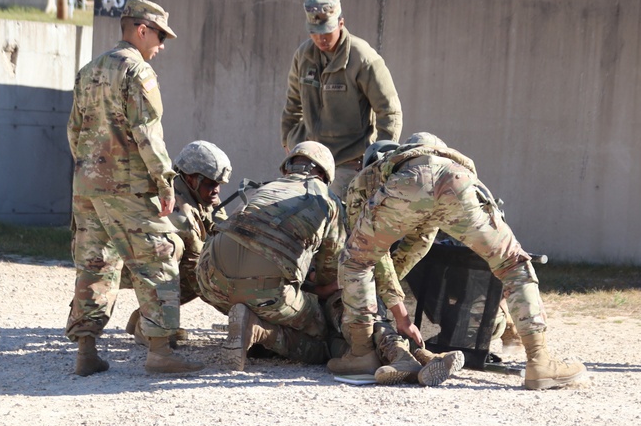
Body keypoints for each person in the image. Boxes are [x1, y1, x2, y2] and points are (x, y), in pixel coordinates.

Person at [337, 140, 587, 391]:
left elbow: (368, 256)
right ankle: (539, 361)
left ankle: (362, 355)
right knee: (513, 264)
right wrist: (392, 294)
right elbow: (420, 241)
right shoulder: (437, 154)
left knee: (356, 263)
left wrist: (391, 300)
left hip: (407, 185)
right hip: (458, 181)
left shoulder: (366, 178)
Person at [65, 0, 204, 377]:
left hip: (87, 186)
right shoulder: (137, 72)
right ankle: (160, 352)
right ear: (141, 30)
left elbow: (74, 132)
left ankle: (86, 351)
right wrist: (164, 181)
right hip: (127, 186)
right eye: (160, 36)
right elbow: (148, 134)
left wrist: (88, 173)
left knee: (95, 264)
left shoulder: (89, 70)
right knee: (158, 257)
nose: (161, 45)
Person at [326, 137, 465, 387]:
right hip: (345, 294)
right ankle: (414, 356)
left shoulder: (364, 202)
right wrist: (391, 300)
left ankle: (408, 357)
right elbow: (379, 258)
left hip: (350, 294)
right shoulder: (357, 205)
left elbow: (392, 254)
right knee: (372, 317)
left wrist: (385, 294)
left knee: (371, 314)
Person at [195, 141, 344, 371]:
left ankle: (248, 320)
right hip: (265, 290)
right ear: (324, 173)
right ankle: (257, 330)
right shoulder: (328, 200)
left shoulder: (264, 188)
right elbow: (329, 270)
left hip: (210, 281)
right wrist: (320, 290)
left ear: (288, 167)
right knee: (322, 341)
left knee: (256, 295)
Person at [280, 0, 403, 198]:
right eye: (314, 31)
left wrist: (378, 161)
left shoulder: (362, 58)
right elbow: (292, 104)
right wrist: (289, 141)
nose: (320, 38)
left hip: (350, 165)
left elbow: (389, 112)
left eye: (326, 31)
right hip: (310, 163)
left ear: (341, 23)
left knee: (344, 228)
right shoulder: (303, 56)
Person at [125, 140, 232, 347]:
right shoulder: (179, 212)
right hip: (130, 264)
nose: (217, 190)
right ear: (191, 179)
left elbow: (221, 230)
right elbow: (197, 273)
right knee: (193, 267)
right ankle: (151, 324)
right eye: (211, 183)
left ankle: (143, 317)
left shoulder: (202, 197)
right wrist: (237, 308)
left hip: (146, 261)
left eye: (218, 184)